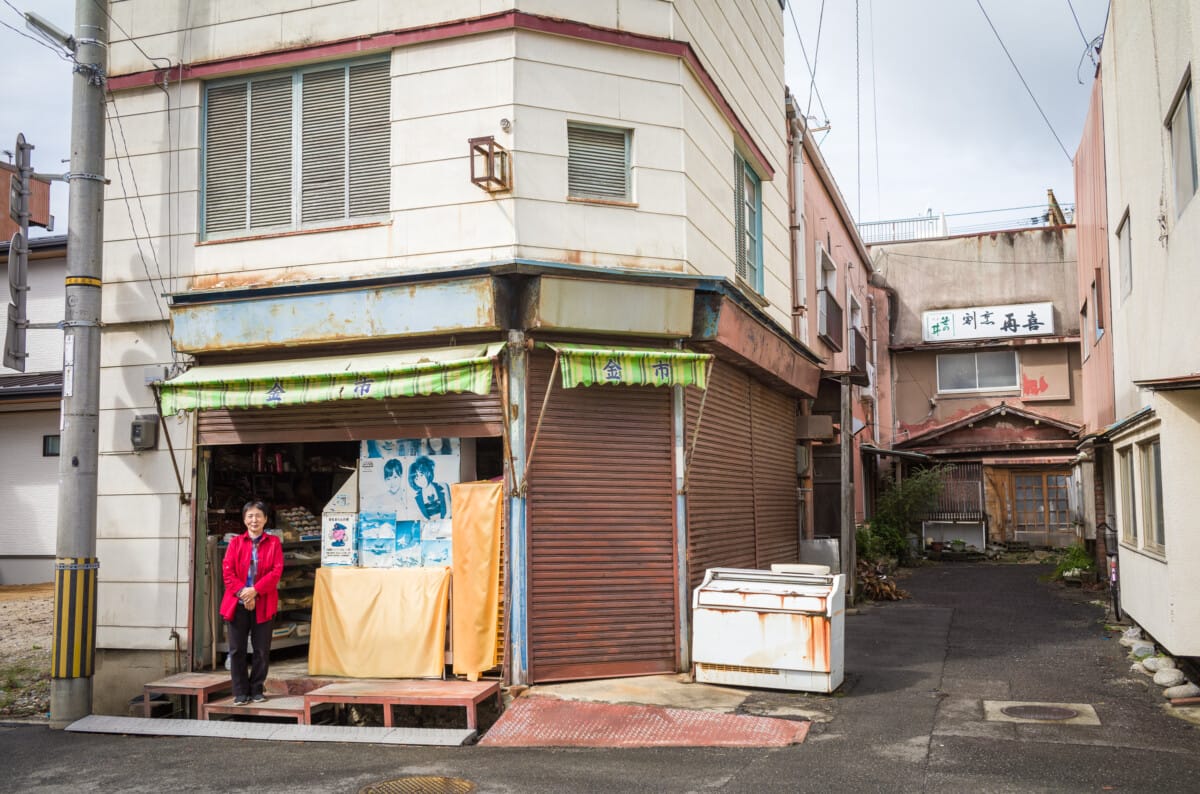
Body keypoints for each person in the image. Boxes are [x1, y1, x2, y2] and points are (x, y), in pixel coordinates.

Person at [220, 500, 283, 705]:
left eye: (258, 516)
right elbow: (227, 571)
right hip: (236, 603)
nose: (254, 520)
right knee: (237, 649)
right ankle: (240, 691)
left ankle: (257, 689)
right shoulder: (235, 543)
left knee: (261, 649)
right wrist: (244, 593)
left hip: (263, 602)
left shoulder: (273, 543)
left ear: (265, 519)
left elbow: (276, 571)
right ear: (244, 519)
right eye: (250, 516)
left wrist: (255, 591)